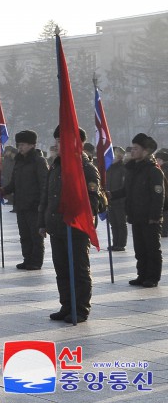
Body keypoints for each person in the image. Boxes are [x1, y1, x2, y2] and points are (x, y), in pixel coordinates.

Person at [39, 126, 101, 323]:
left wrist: (75, 213)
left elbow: (93, 201)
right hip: (57, 227)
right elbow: (46, 196)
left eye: (62, 140)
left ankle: (80, 308)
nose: (58, 144)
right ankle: (66, 305)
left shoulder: (86, 169)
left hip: (76, 228)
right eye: (57, 140)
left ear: (77, 143)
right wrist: (42, 222)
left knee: (79, 271)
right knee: (62, 270)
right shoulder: (55, 165)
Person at [109, 134, 164, 288]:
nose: (132, 151)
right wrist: (110, 195)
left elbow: (158, 194)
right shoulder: (132, 169)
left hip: (150, 217)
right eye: (132, 148)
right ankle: (142, 275)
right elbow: (126, 190)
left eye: (135, 149)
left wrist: (155, 215)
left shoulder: (153, 170)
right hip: (136, 215)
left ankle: (152, 277)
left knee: (152, 248)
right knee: (140, 248)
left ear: (145, 151)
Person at [0, 130, 49, 271]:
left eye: (23, 145)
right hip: (21, 204)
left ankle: (36, 261)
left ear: (32, 145)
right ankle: (27, 259)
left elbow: (45, 184)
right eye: (19, 144)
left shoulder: (39, 161)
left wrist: (41, 203)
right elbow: (14, 183)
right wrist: (4, 190)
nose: (20, 147)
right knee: (24, 235)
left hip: (34, 206)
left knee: (35, 236)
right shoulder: (18, 162)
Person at [105, 146, 128, 251]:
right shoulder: (108, 169)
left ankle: (121, 243)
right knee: (113, 223)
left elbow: (124, 186)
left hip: (120, 201)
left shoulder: (123, 169)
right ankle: (115, 243)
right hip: (110, 200)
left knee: (121, 223)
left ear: (119, 156)